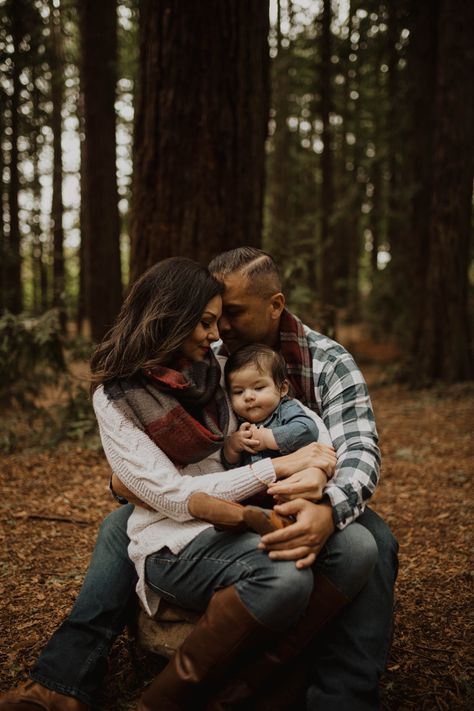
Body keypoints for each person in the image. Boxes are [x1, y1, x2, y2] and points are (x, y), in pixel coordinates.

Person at [0, 257, 378, 711]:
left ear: (274, 305)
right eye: (209, 321)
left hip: (256, 506)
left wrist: (321, 484)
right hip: (195, 519)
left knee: (364, 545)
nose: (221, 333)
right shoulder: (129, 393)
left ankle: (326, 695)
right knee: (126, 526)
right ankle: (67, 684)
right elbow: (169, 491)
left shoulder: (221, 367)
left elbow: (344, 443)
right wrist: (272, 468)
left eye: (226, 317)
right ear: (170, 316)